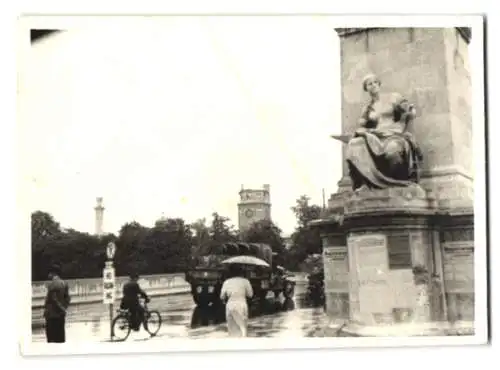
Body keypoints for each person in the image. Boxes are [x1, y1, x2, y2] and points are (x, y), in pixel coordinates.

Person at [345, 73, 423, 190]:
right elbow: (362, 124)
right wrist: (362, 127)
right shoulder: (367, 108)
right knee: (354, 145)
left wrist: (410, 111)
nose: (373, 85)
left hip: (394, 133)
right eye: (369, 84)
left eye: (375, 82)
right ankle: (367, 182)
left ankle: (395, 183)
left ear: (379, 84)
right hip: (377, 135)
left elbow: (407, 108)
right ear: (366, 89)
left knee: (392, 150)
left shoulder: (393, 97)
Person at [220, 264, 253, 337]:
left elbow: (222, 296)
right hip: (242, 304)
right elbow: (250, 294)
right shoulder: (245, 281)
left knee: (231, 329)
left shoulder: (227, 282)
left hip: (230, 305)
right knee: (242, 328)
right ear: (241, 272)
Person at [43, 264, 71, 343]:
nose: (48, 275)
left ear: (53, 273)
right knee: (61, 337)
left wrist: (61, 308)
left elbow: (53, 299)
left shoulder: (52, 285)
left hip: (52, 315)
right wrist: (64, 308)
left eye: (49, 273)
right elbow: (68, 298)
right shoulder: (64, 283)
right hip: (61, 315)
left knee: (52, 339)